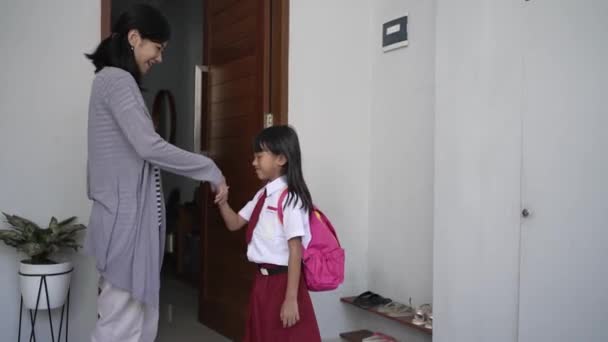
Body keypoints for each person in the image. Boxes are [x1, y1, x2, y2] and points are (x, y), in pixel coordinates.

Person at [84, 4, 228, 341]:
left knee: (135, 322)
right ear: (134, 38)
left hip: (125, 221)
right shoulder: (116, 80)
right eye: (158, 48)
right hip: (125, 223)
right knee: (122, 325)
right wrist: (209, 167)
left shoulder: (112, 82)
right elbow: (149, 147)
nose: (159, 58)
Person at [217, 125, 321, 342]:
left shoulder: (291, 199)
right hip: (262, 283)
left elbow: (295, 251)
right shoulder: (263, 195)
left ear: (281, 159)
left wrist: (291, 299)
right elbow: (235, 223)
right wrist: (223, 202)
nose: (254, 162)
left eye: (259, 156)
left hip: (283, 284)